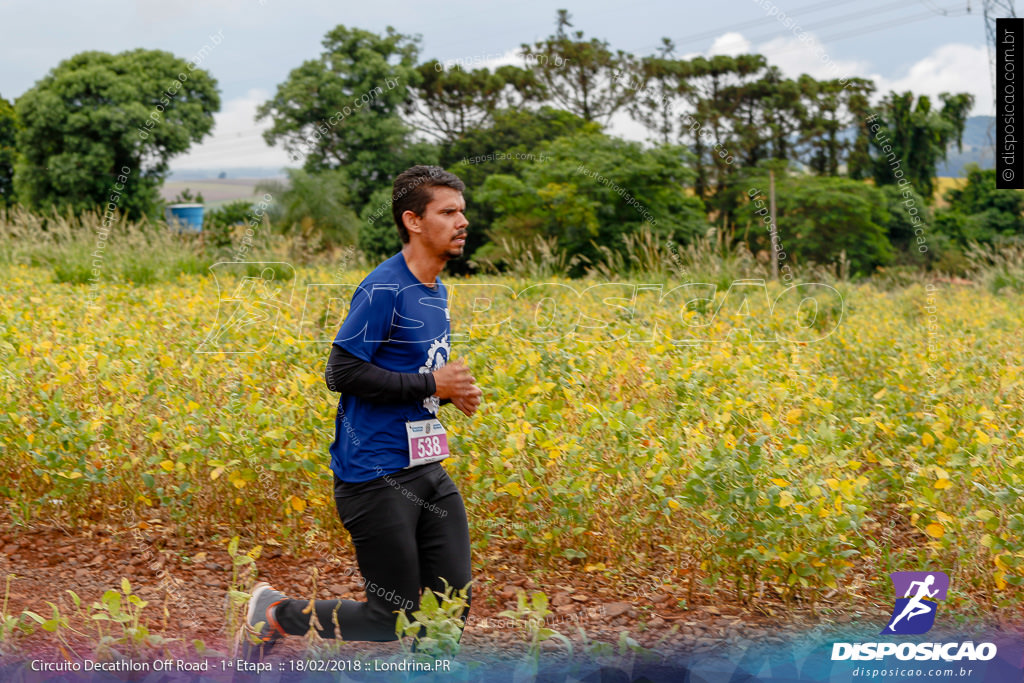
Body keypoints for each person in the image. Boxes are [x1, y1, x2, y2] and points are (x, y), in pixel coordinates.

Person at [236, 165, 482, 659]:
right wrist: (433, 382)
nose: (462, 222)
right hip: (375, 475)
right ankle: (273, 612)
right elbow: (341, 373)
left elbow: (405, 378)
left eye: (462, 211)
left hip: (425, 467)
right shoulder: (384, 289)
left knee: (452, 603)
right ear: (413, 221)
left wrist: (446, 395)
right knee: (387, 619)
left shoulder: (436, 292)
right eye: (448, 212)